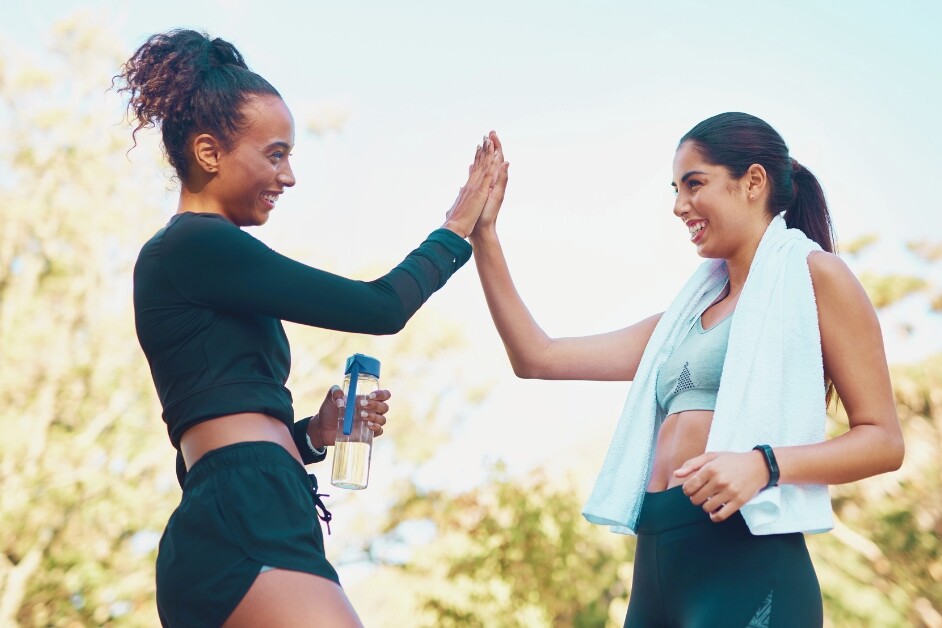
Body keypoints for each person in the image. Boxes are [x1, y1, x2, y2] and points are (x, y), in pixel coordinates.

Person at [116, 29, 500, 627]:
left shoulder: (198, 258)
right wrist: (457, 230)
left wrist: (314, 435)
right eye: (275, 154)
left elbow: (211, 437)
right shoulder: (197, 243)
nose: (289, 176)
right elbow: (379, 308)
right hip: (246, 512)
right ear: (210, 153)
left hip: (250, 504)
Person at [472, 116, 903, 627]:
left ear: (753, 182)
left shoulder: (816, 277)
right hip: (657, 562)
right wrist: (484, 236)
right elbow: (536, 357)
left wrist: (764, 464)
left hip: (746, 563)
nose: (679, 206)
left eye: (694, 184)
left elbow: (884, 441)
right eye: (676, 190)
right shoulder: (679, 322)